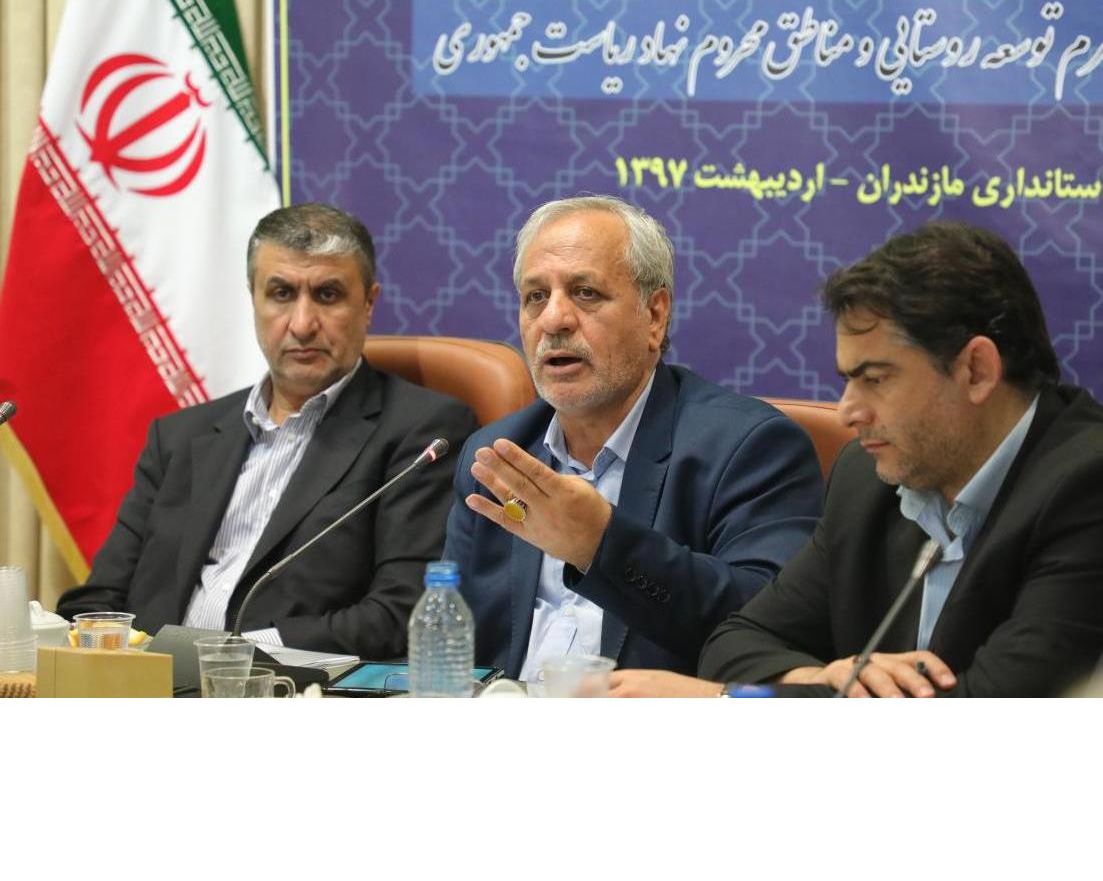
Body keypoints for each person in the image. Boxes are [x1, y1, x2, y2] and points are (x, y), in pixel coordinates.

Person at [608, 221, 1103, 698]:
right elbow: (735, 642)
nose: (848, 411)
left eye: (876, 379)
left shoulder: (1087, 486)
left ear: (976, 370)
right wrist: (821, 680)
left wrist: (734, 701)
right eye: (848, 380)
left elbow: (995, 714)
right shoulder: (867, 476)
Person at [58, 203, 477, 657]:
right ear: (253, 298)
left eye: (328, 295)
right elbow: (98, 602)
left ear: (368, 304)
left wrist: (234, 652)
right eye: (281, 293)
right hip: (143, 681)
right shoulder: (179, 438)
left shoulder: (423, 434)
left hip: (287, 686)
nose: (302, 324)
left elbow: (399, 614)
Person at [443, 194, 823, 681]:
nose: (553, 320)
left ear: (655, 316)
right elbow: (450, 636)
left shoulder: (748, 448)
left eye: (585, 293)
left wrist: (600, 545)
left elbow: (766, 628)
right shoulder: (496, 457)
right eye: (535, 296)